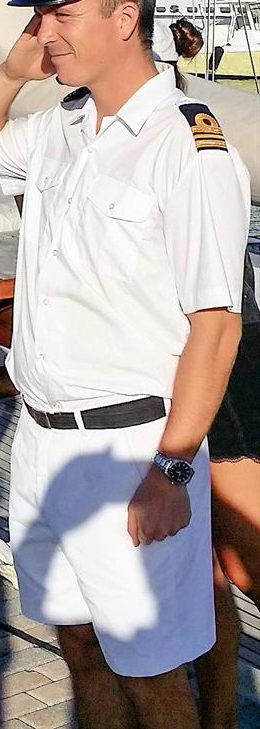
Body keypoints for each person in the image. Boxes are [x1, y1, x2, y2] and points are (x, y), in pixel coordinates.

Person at [0, 0, 251, 729]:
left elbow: (214, 324)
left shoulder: (186, 145)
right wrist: (12, 73)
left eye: (59, 14)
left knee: (150, 671)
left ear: (124, 18)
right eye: (38, 17)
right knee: (78, 647)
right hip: (43, 445)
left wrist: (174, 470)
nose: (44, 33)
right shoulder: (63, 126)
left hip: (130, 448)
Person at [195, 250, 260, 729]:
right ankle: (218, 720)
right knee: (200, 577)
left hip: (223, 356)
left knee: (245, 564)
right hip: (140, 371)